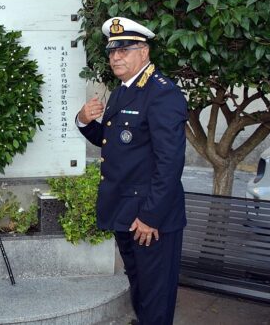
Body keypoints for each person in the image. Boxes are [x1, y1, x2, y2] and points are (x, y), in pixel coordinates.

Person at [76, 17, 188, 325]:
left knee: (155, 298)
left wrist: (151, 216)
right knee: (139, 289)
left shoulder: (161, 93)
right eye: (112, 52)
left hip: (150, 218)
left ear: (144, 51)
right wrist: (84, 120)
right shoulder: (124, 90)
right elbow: (112, 141)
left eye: (124, 50)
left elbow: (170, 163)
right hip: (126, 212)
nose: (115, 57)